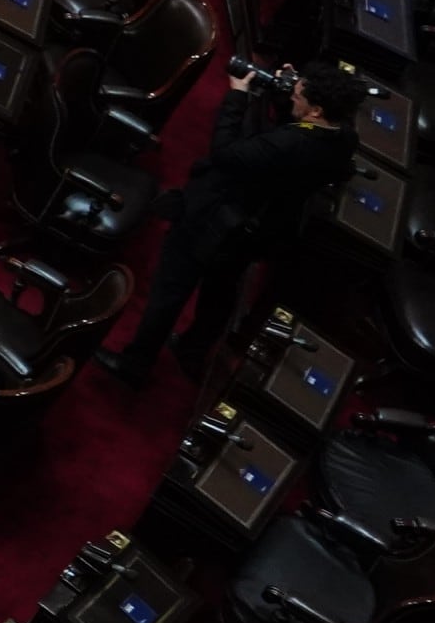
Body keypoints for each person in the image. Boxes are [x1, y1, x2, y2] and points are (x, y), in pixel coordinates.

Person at [100, 60, 363, 382]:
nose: (293, 96)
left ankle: (134, 366)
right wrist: (284, 103)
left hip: (215, 222)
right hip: (259, 228)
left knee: (170, 290)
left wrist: (237, 96)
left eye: (298, 95)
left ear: (317, 110)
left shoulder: (288, 143)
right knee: (220, 292)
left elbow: (225, 153)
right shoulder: (343, 136)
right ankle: (193, 351)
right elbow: (294, 136)